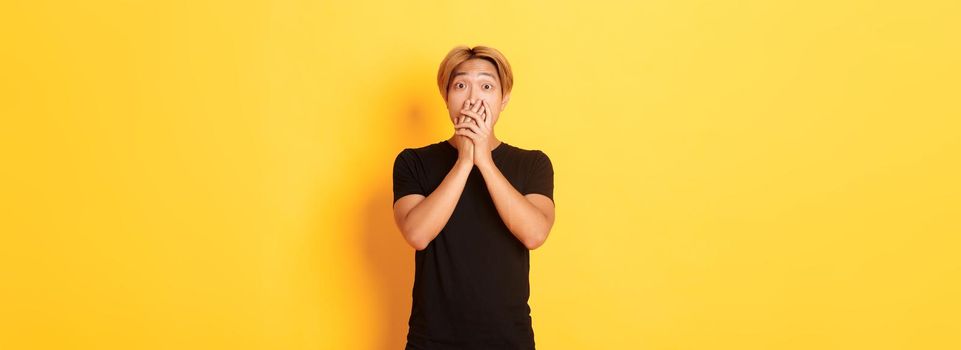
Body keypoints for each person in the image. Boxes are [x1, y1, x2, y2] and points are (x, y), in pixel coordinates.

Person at [392, 45, 555, 349]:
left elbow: (534, 233)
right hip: (432, 341)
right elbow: (417, 233)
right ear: (446, 97)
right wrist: (465, 160)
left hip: (509, 341)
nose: (473, 97)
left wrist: (484, 160)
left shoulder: (533, 163)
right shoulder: (413, 162)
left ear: (503, 99)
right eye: (461, 85)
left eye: (486, 85)